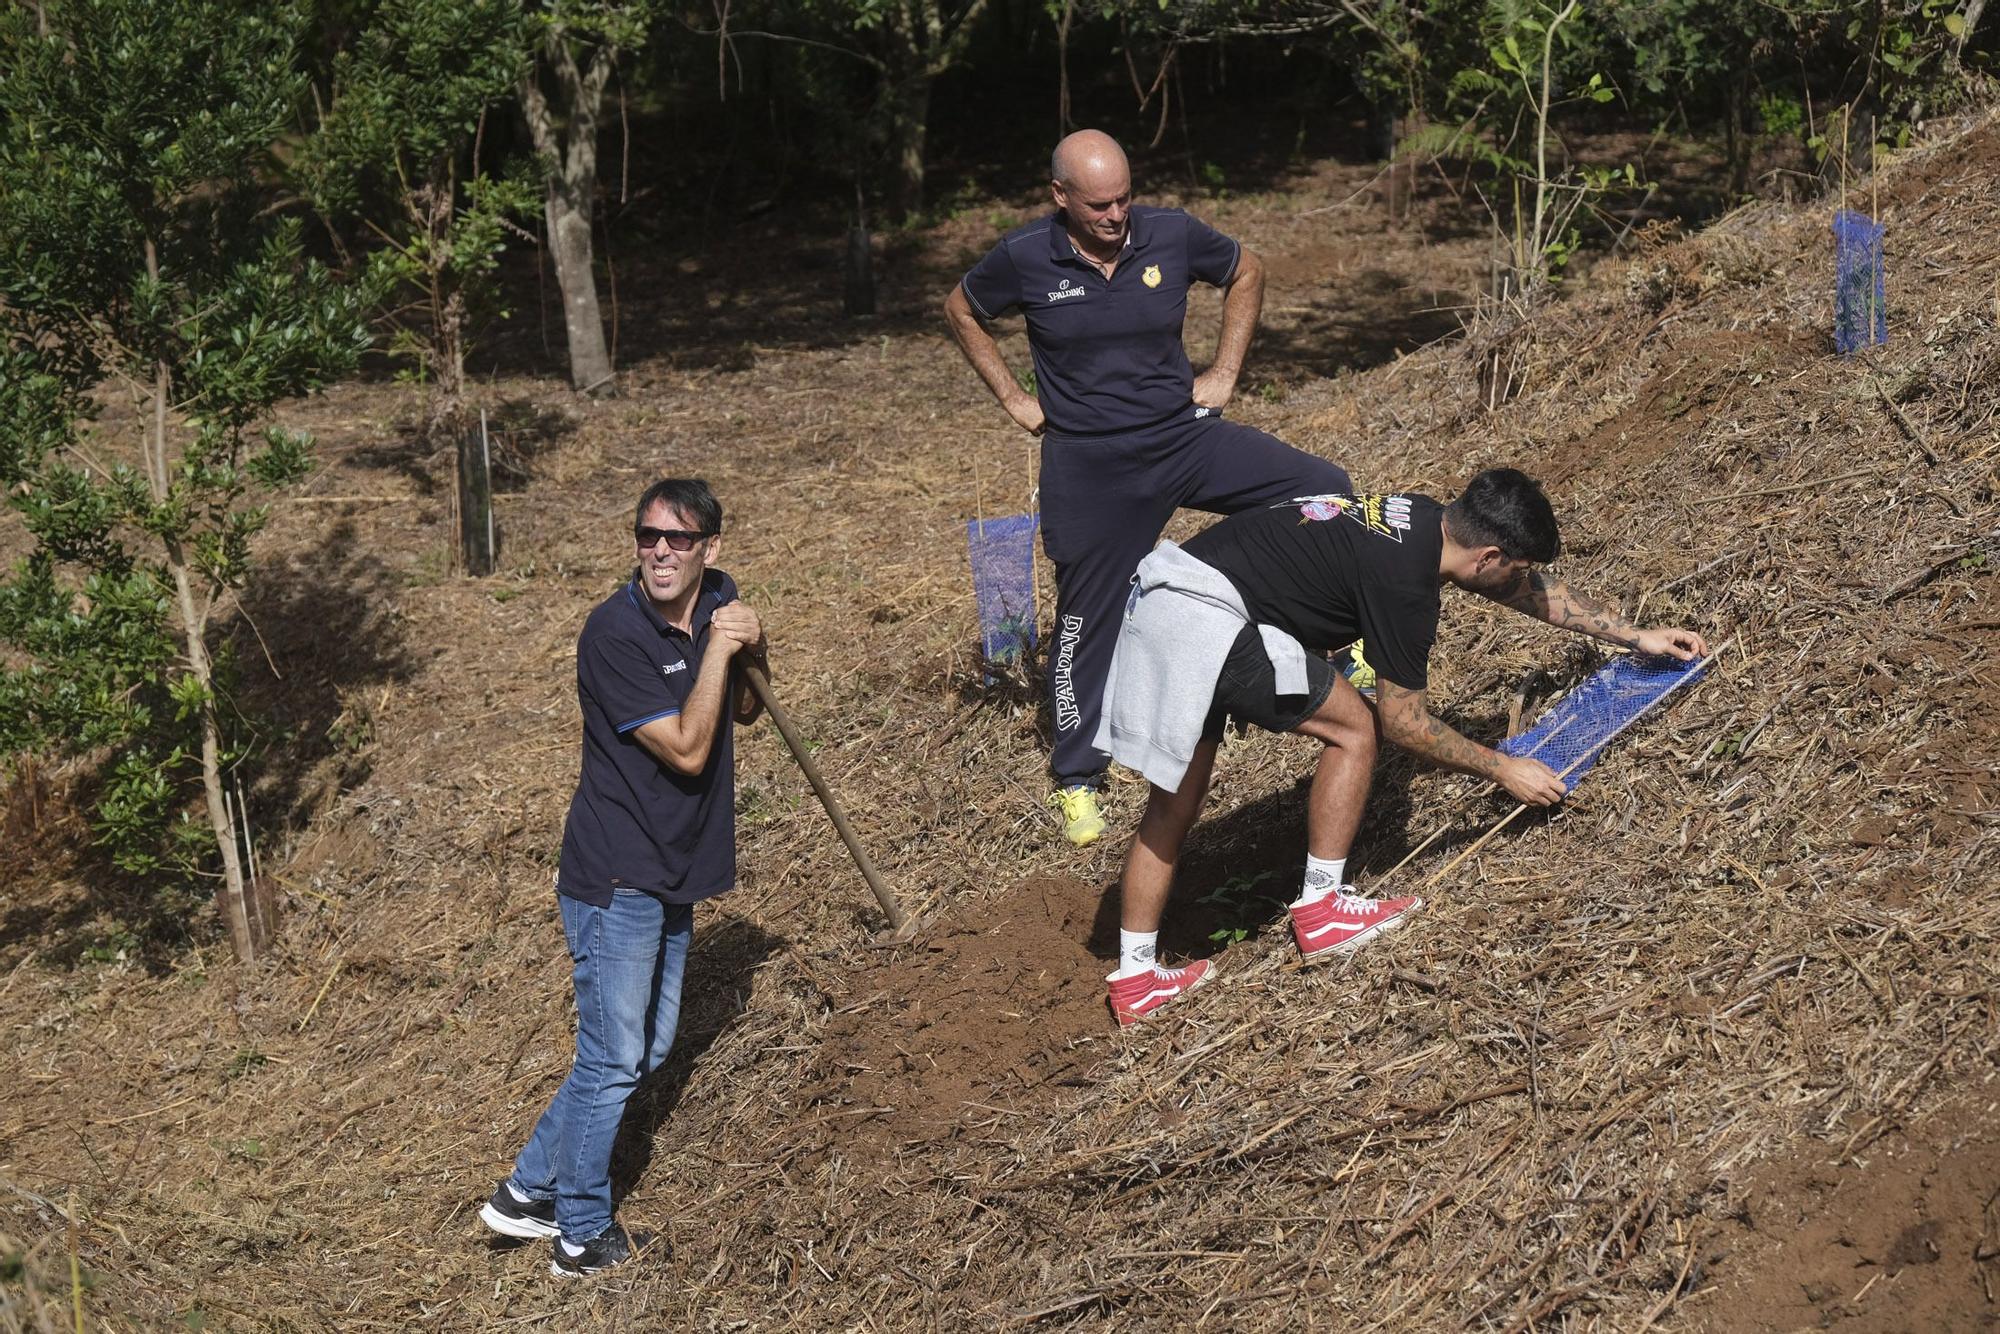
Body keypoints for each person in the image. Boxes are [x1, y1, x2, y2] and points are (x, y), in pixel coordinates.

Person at [1093, 469, 1709, 1025]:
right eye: (1516, 566)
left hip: (1161, 604)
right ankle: (1325, 908)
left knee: (1175, 804)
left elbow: (1521, 589)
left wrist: (1634, 634)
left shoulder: (1418, 519)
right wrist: (1504, 769)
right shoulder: (1405, 583)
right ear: (1488, 553)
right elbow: (1405, 724)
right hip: (1210, 618)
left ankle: (1138, 976)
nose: (1521, 580)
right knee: (1356, 728)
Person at [944, 128, 1351, 849]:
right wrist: (1012, 397)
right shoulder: (1025, 256)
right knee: (1085, 615)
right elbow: (962, 309)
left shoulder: (1169, 233)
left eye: (1124, 198)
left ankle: (1340, 648)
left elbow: (1246, 270)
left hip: (1182, 436)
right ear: (1060, 197)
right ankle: (1077, 777)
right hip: (1090, 462)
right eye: (1098, 204)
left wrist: (1225, 371)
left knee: (1324, 492)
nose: (1114, 216)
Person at [479, 478, 766, 1275]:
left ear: (711, 548)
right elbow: (687, 748)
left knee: (640, 1050)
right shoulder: (612, 635)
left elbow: (741, 711)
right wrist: (717, 647)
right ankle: (578, 1233)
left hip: (674, 866)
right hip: (617, 876)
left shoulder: (722, 600)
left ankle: (525, 1192)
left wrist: (752, 642)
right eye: (648, 537)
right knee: (611, 1058)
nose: (661, 553)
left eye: (678, 540)